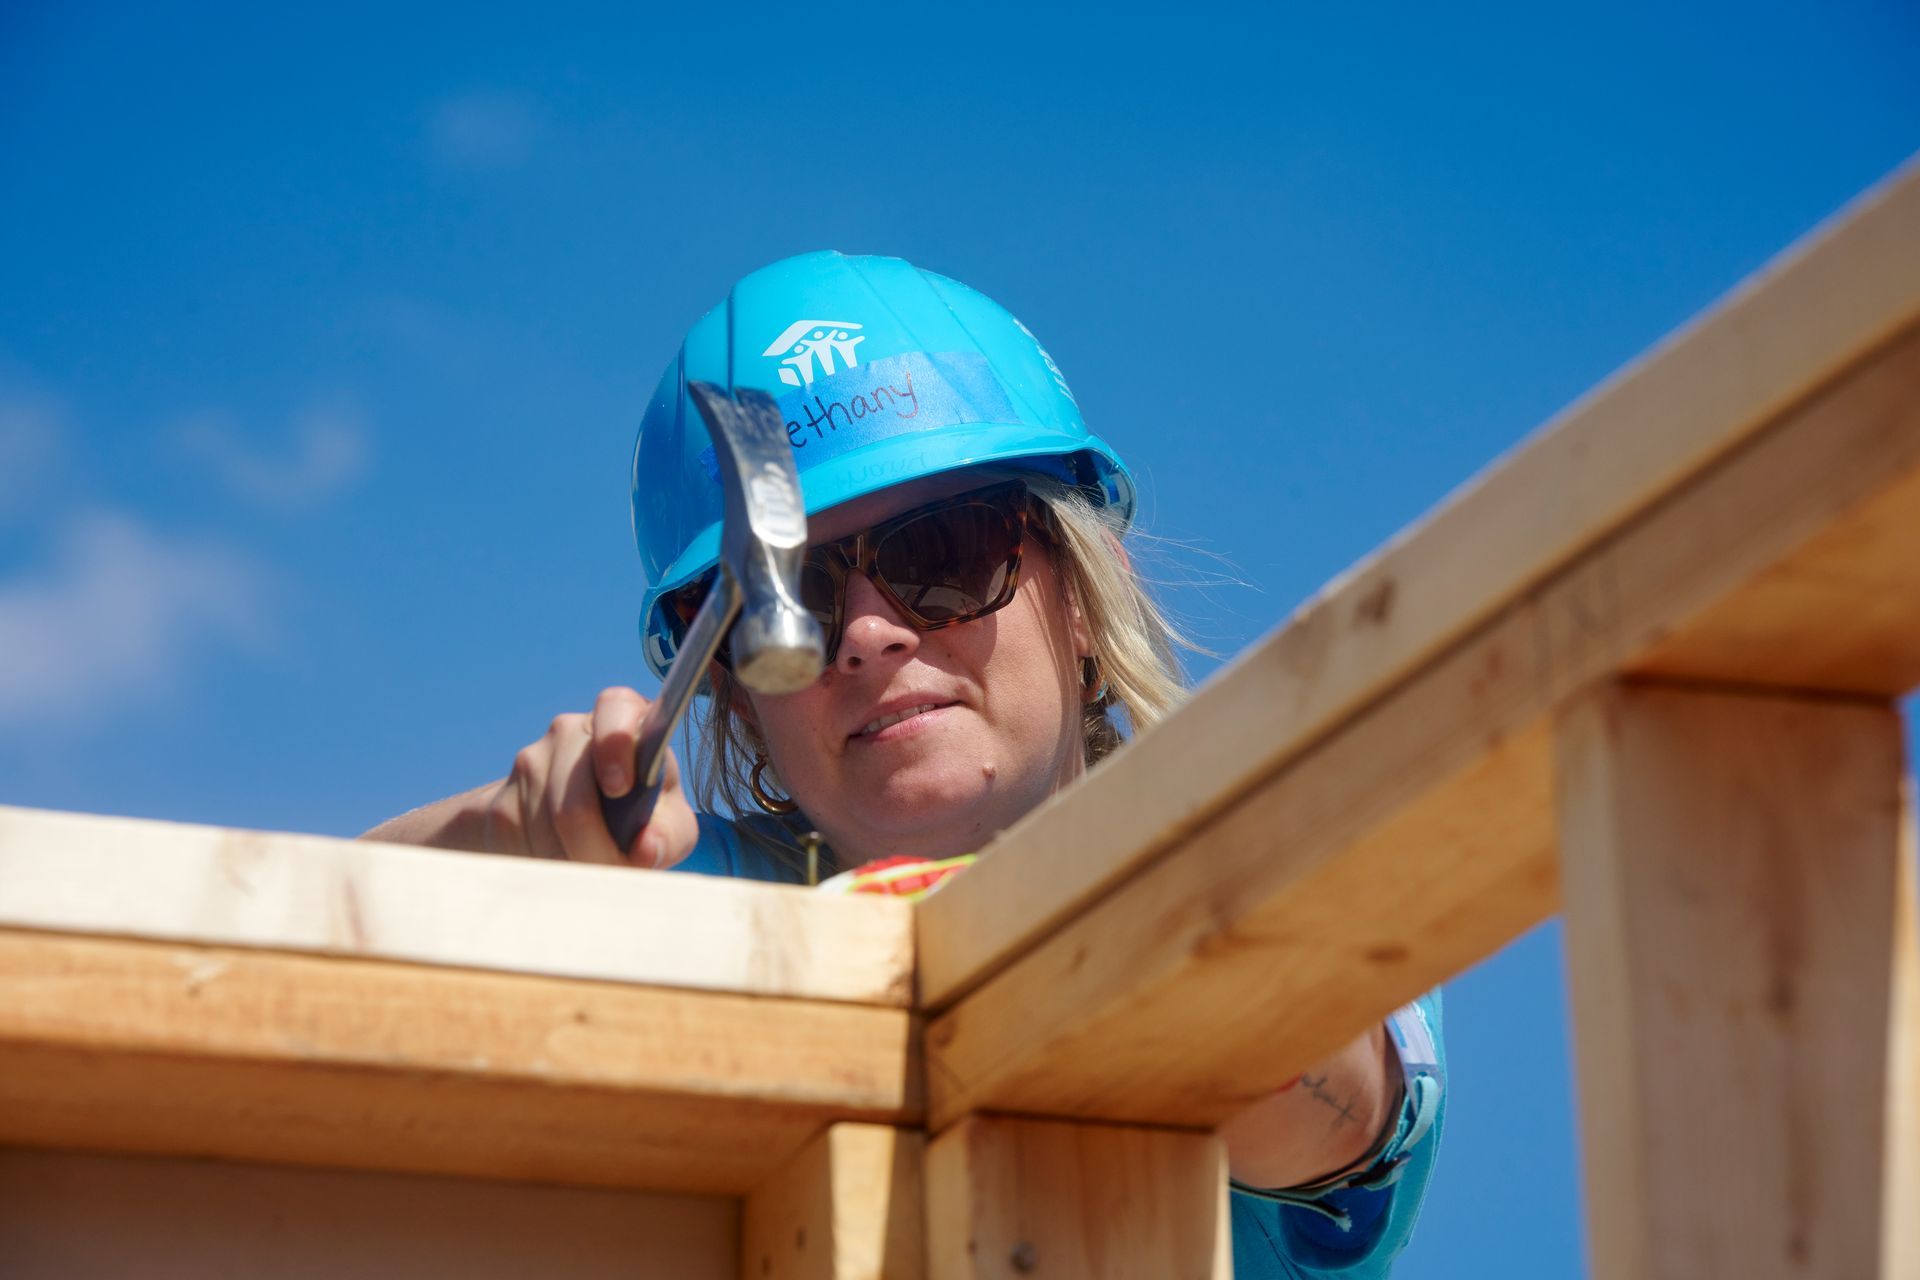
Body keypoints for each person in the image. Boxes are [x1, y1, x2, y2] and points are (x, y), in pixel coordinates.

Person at [366, 251, 1445, 1276]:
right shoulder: (710, 907)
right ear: (734, 689)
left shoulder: (1268, 869)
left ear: (1082, 589)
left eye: (943, 552)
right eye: (804, 592)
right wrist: (502, 844)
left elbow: (1325, 1098)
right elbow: (246, 953)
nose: (869, 633)